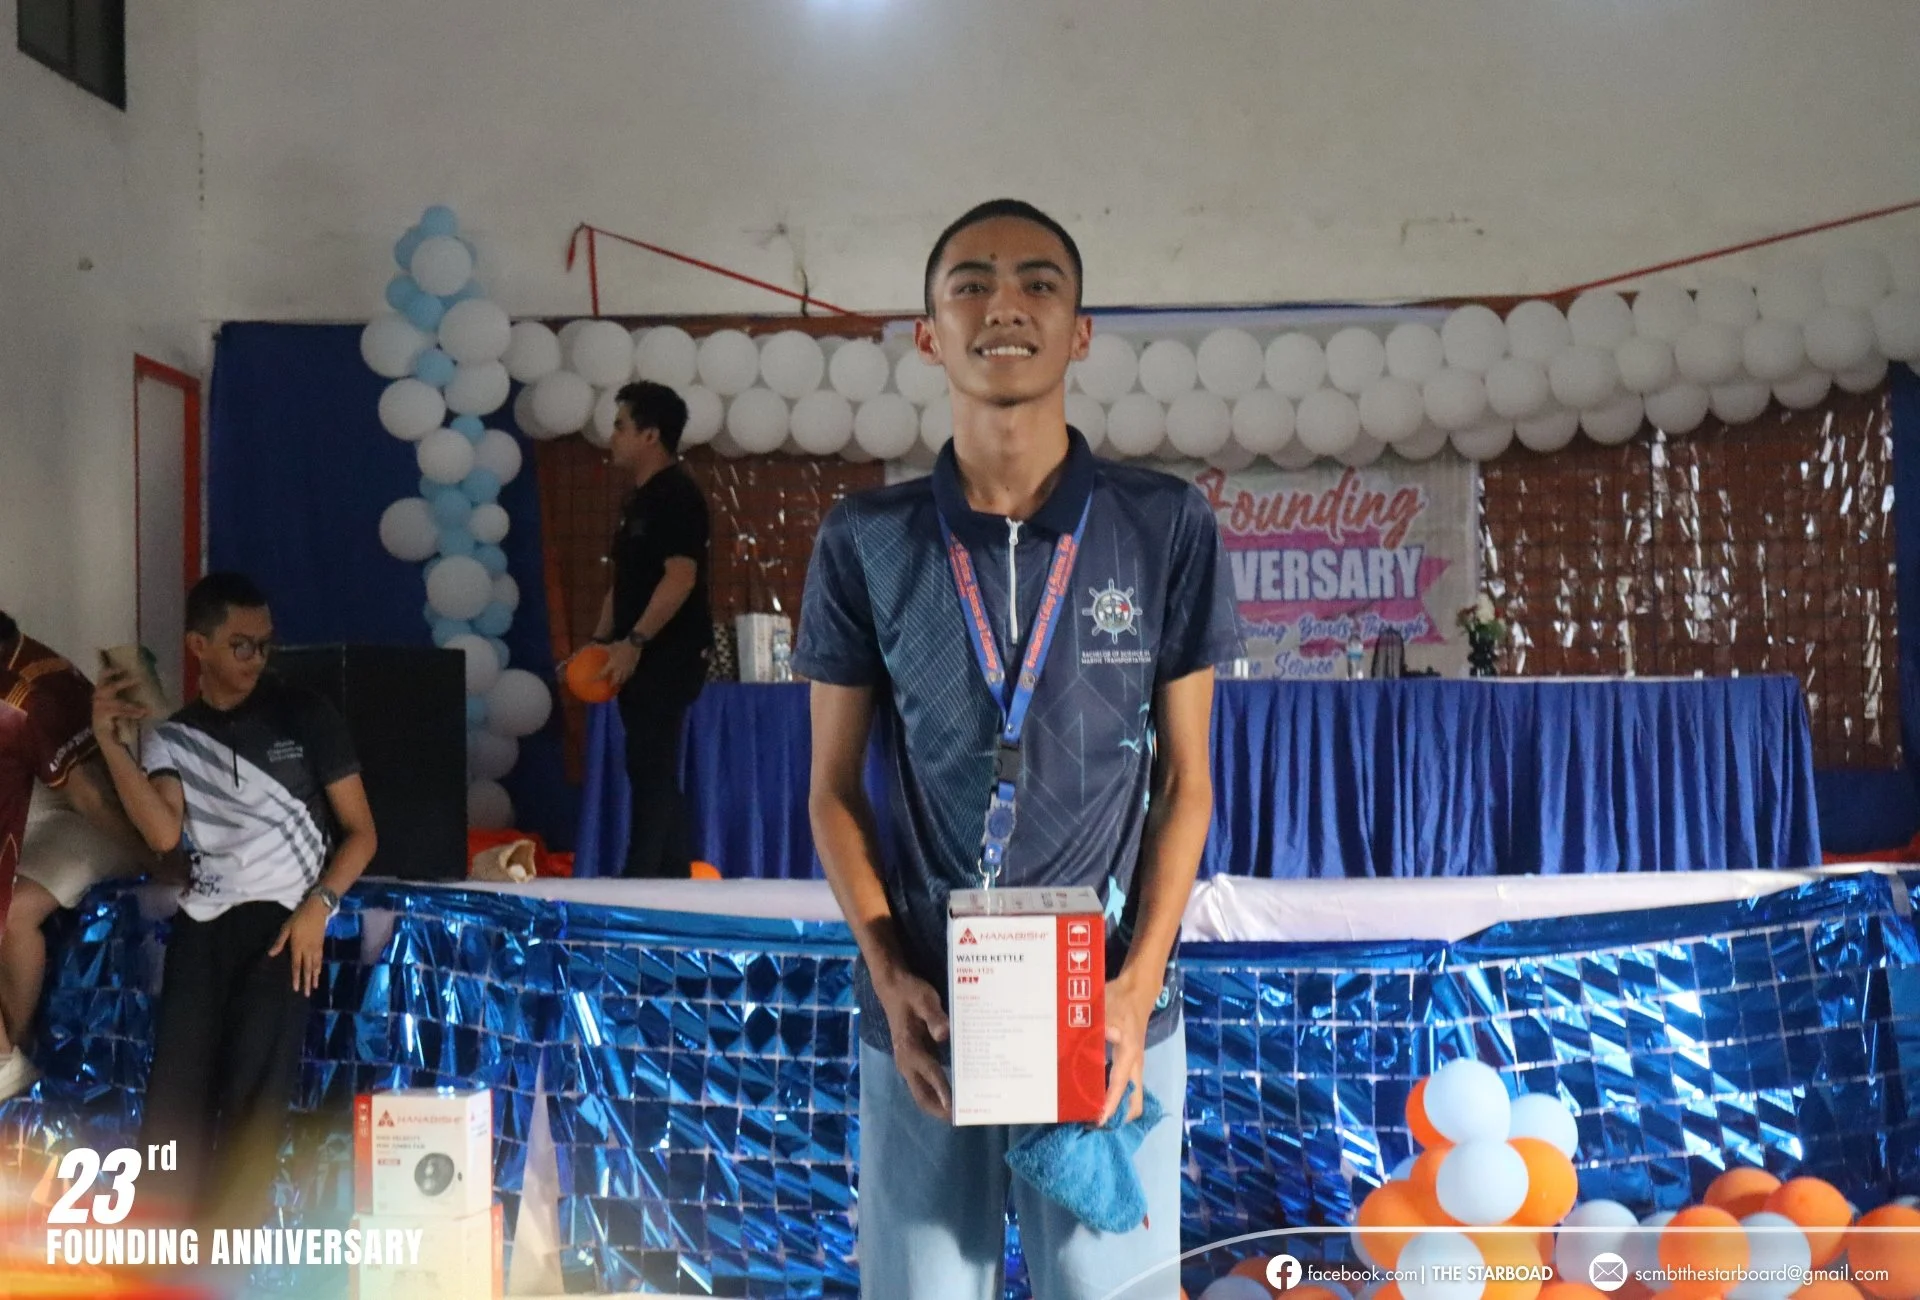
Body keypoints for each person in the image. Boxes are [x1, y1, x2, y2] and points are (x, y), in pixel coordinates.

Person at [795, 199, 1242, 1300]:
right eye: (972, 285)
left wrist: (1136, 986)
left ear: (1079, 332)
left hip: (1108, 1012)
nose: (1005, 306)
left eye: (1040, 283)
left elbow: (1188, 784)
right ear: (928, 332)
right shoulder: (868, 538)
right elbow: (832, 792)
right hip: (927, 1014)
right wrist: (889, 973)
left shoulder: (1163, 525)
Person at [91, 572, 377, 1229]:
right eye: (241, 645)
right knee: (175, 1096)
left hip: (284, 924)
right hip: (204, 922)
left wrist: (319, 906)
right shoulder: (173, 734)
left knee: (255, 1096)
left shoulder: (305, 714)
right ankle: (157, 1245)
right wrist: (110, 745)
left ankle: (226, 1255)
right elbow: (163, 833)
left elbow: (363, 833)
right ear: (199, 646)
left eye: (265, 644)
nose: (256, 658)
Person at [0, 611, 148, 1098]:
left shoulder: (28, 692)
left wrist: (153, 858)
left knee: (14, 911)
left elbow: (91, 799)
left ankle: (8, 1059)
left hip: (89, 823)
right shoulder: (17, 661)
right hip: (42, 815)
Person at [584, 379, 714, 879]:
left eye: (620, 426)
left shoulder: (678, 495)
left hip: (670, 650)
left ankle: (639, 877)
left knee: (651, 760)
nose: (612, 436)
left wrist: (636, 641)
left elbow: (680, 577)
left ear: (650, 435)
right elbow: (623, 584)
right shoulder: (636, 501)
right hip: (633, 649)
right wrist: (600, 643)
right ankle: (674, 873)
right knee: (646, 761)